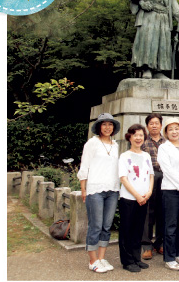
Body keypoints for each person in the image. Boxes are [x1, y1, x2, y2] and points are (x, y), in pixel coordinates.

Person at [77, 113, 121, 273]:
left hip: (113, 189)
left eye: (110, 125)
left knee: (106, 226)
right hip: (95, 189)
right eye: (104, 124)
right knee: (95, 225)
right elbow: (85, 166)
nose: (107, 127)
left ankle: (102, 258)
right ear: (99, 127)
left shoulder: (115, 145)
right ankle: (92, 260)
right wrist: (83, 188)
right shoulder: (92, 143)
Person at [118, 124, 154, 273]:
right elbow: (123, 178)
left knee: (138, 229)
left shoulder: (146, 155)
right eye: (135, 135)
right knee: (127, 229)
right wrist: (137, 195)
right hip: (129, 198)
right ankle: (127, 261)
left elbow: (151, 175)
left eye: (141, 135)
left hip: (144, 198)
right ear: (130, 137)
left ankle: (136, 258)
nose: (138, 138)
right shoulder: (124, 156)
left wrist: (149, 191)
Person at [157, 118, 179, 271]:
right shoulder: (164, 148)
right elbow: (167, 169)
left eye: (176, 128)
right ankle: (169, 257)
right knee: (170, 225)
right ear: (166, 132)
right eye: (170, 129)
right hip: (171, 190)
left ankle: (177, 253)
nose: (174, 132)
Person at [141, 113, 165, 260]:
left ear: (161, 125)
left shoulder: (167, 141)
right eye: (151, 123)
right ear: (147, 126)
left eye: (157, 123)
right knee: (147, 212)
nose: (154, 126)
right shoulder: (142, 141)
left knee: (163, 211)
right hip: (148, 177)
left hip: (165, 178)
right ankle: (147, 245)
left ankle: (160, 243)